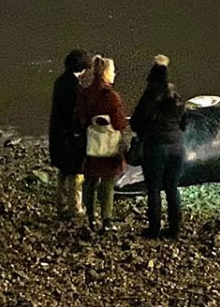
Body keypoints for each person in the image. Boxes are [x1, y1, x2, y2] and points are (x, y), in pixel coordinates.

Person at [130, 55, 187, 239]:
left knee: (154, 188)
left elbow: (136, 122)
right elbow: (184, 124)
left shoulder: (149, 95)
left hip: (155, 146)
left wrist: (145, 131)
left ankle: (154, 228)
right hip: (177, 147)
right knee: (172, 187)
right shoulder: (175, 95)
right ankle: (175, 228)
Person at [76, 56, 128, 232]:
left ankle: (91, 218)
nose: (114, 74)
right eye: (112, 71)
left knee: (90, 180)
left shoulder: (85, 94)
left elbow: (81, 118)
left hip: (91, 144)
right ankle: (107, 220)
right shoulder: (112, 97)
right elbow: (119, 123)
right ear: (106, 73)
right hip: (108, 146)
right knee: (107, 181)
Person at [49, 48, 91, 220]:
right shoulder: (76, 88)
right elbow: (77, 115)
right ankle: (76, 207)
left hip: (58, 134)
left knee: (63, 172)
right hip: (71, 137)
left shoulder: (59, 82)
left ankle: (61, 205)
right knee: (76, 172)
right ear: (82, 68)